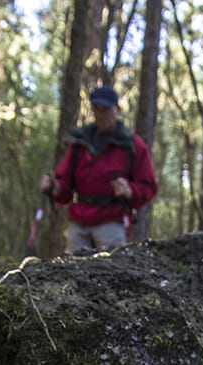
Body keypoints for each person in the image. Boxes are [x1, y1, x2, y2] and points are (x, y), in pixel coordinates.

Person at [41, 86, 157, 253]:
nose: (101, 115)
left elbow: (149, 186)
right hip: (79, 221)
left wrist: (130, 191)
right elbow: (64, 184)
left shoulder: (133, 145)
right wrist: (55, 187)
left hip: (112, 221)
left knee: (112, 272)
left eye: (106, 109)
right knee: (73, 272)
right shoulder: (80, 142)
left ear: (117, 110)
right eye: (97, 109)